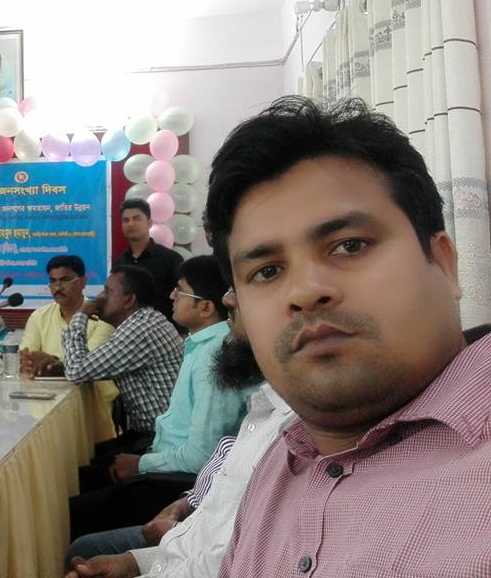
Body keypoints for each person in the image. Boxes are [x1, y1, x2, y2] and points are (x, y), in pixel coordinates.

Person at [197, 96, 491, 576]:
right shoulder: (276, 465)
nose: (305, 291)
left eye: (349, 246)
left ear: (443, 261)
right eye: (267, 271)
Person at [63, 289, 296, 578]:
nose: (171, 295)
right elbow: (218, 517)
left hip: (175, 477)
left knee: (76, 517)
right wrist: (142, 556)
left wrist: (146, 470)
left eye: (266, 274)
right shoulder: (264, 405)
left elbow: (228, 547)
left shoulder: (213, 356)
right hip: (187, 503)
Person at [69, 257, 252, 539]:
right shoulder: (201, 344)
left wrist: (141, 464)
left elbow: (201, 457)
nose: (171, 297)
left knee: (73, 509)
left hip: (180, 481)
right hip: (165, 456)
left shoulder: (214, 357)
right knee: (81, 476)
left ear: (205, 307)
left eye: (180, 291)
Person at [62, 265, 183, 454]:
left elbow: (76, 371)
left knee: (79, 462)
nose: (99, 298)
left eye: (108, 291)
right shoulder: (144, 321)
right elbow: (93, 365)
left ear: (129, 300)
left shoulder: (141, 330)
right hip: (151, 433)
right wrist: (58, 366)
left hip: (161, 441)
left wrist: (81, 315)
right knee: (85, 456)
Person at [20, 255, 114, 378]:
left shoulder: (103, 318)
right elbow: (27, 357)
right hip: (45, 387)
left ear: (83, 282)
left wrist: (53, 361)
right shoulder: (39, 316)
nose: (57, 287)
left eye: (65, 280)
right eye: (53, 281)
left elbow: (89, 365)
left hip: (90, 388)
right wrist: (30, 361)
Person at [113, 199, 183, 325]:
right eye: (126, 220)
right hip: (127, 332)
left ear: (149, 223)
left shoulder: (171, 259)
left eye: (137, 219)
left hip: (164, 331)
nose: (130, 224)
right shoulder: (120, 263)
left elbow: (182, 298)